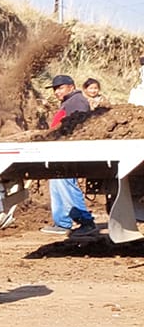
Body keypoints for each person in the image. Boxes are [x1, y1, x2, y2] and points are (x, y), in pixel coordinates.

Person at [41, 76, 99, 237]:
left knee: (66, 184)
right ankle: (62, 222)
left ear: (71, 87)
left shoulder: (77, 101)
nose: (57, 92)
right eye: (55, 89)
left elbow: (79, 125)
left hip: (68, 150)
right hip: (61, 149)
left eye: (60, 88)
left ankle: (86, 222)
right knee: (57, 183)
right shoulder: (69, 101)